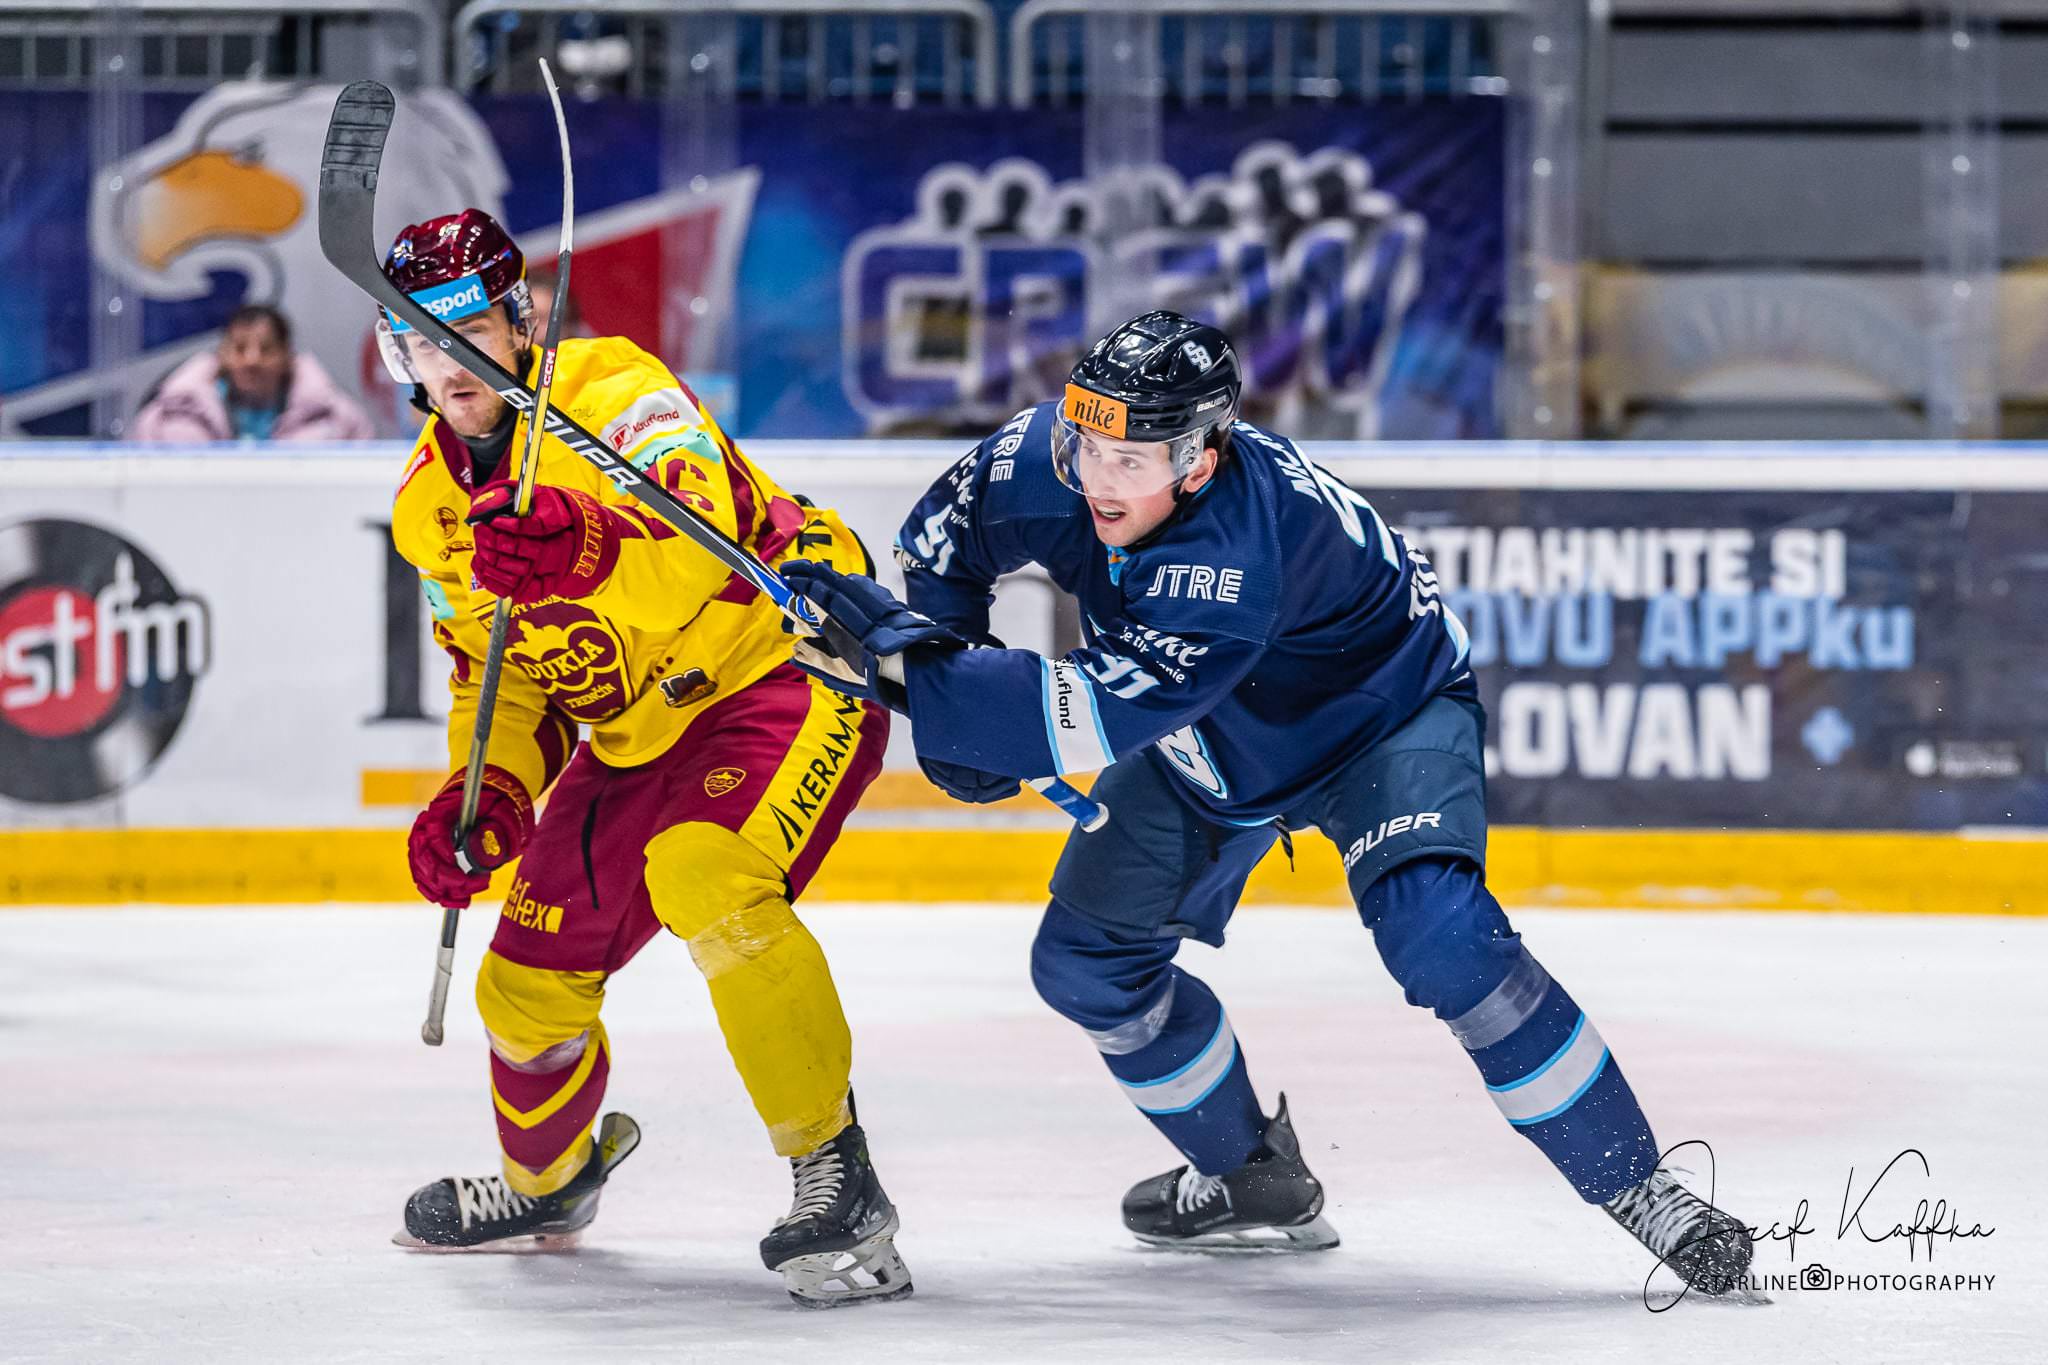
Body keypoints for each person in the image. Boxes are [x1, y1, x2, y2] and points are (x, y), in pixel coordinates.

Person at [781, 310, 1754, 1295]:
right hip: (1211, 726)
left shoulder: (1238, 555)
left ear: (1201, 458)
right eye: (1090, 445)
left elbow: (1095, 708)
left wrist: (922, 681)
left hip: (1379, 720)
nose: (1100, 480)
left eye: (1136, 459)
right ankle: (1250, 1176)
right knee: (1084, 966)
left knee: (1443, 939)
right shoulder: (1043, 460)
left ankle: (1642, 1191)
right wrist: (939, 643)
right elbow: (945, 541)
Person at [380, 208, 909, 1307]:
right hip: (637, 734)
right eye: (424, 340)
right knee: (523, 990)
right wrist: (489, 791)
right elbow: (503, 674)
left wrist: (586, 543)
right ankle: (550, 1183)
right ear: (398, 354)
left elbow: (696, 552)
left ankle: (837, 1178)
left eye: (470, 325)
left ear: (516, 319)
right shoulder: (428, 514)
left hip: (776, 665)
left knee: (705, 875)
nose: (452, 361)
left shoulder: (621, 397)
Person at [132, 303, 374, 442]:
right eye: (239, 348)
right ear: (221, 355)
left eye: (267, 349)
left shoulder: (339, 418)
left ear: (288, 356)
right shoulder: (163, 417)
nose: (252, 360)